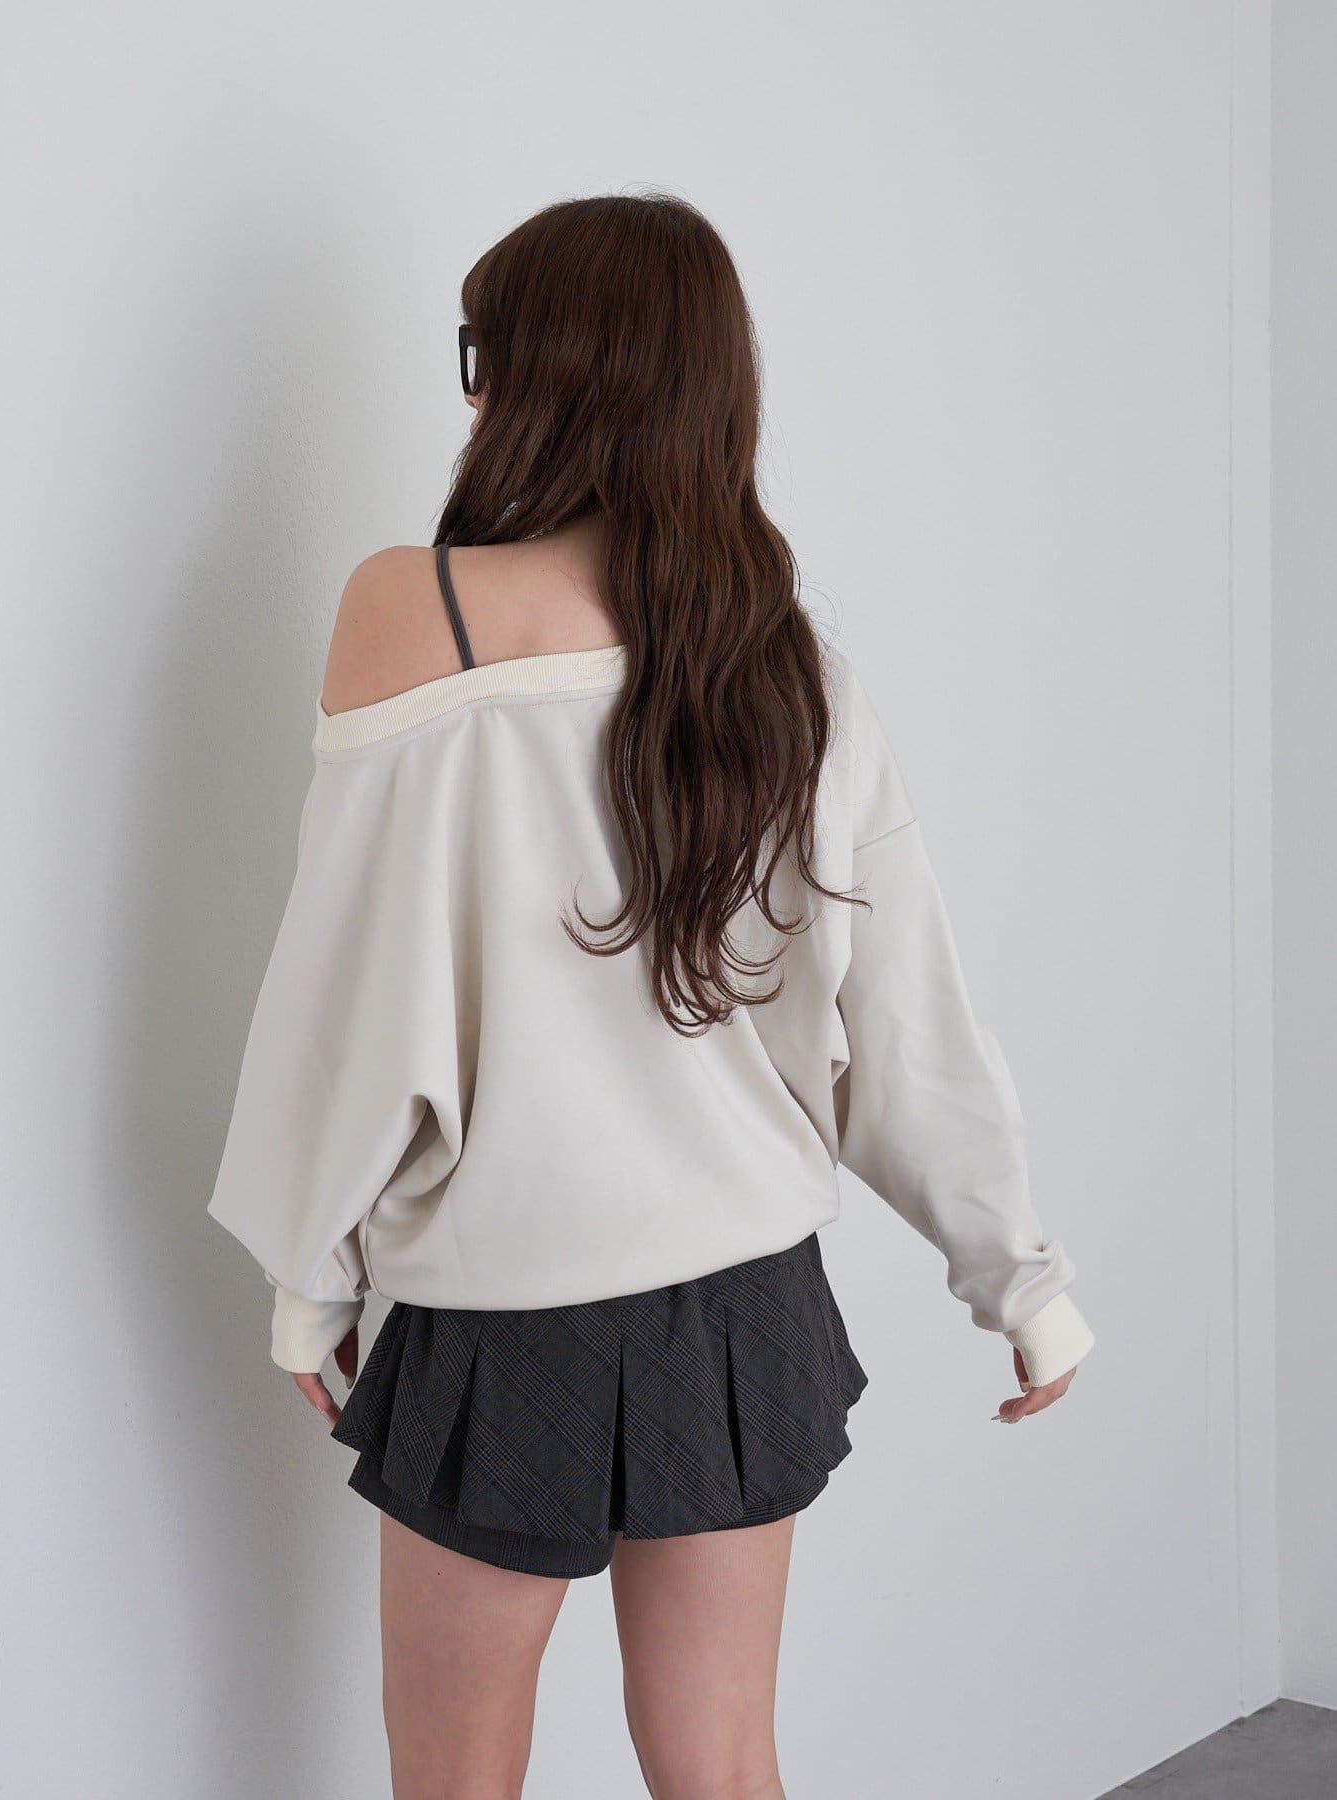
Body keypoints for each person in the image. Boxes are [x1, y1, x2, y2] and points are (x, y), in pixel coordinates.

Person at [207, 190, 1094, 1799]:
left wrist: (309, 1272)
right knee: (725, 1767)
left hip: (505, 1312)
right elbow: (901, 1018)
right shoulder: (787, 666)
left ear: (541, 376)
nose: (471, 391)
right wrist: (1020, 1277)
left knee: (453, 1780)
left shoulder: (414, 608)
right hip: (742, 1307)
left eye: (480, 353)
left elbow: (350, 991)